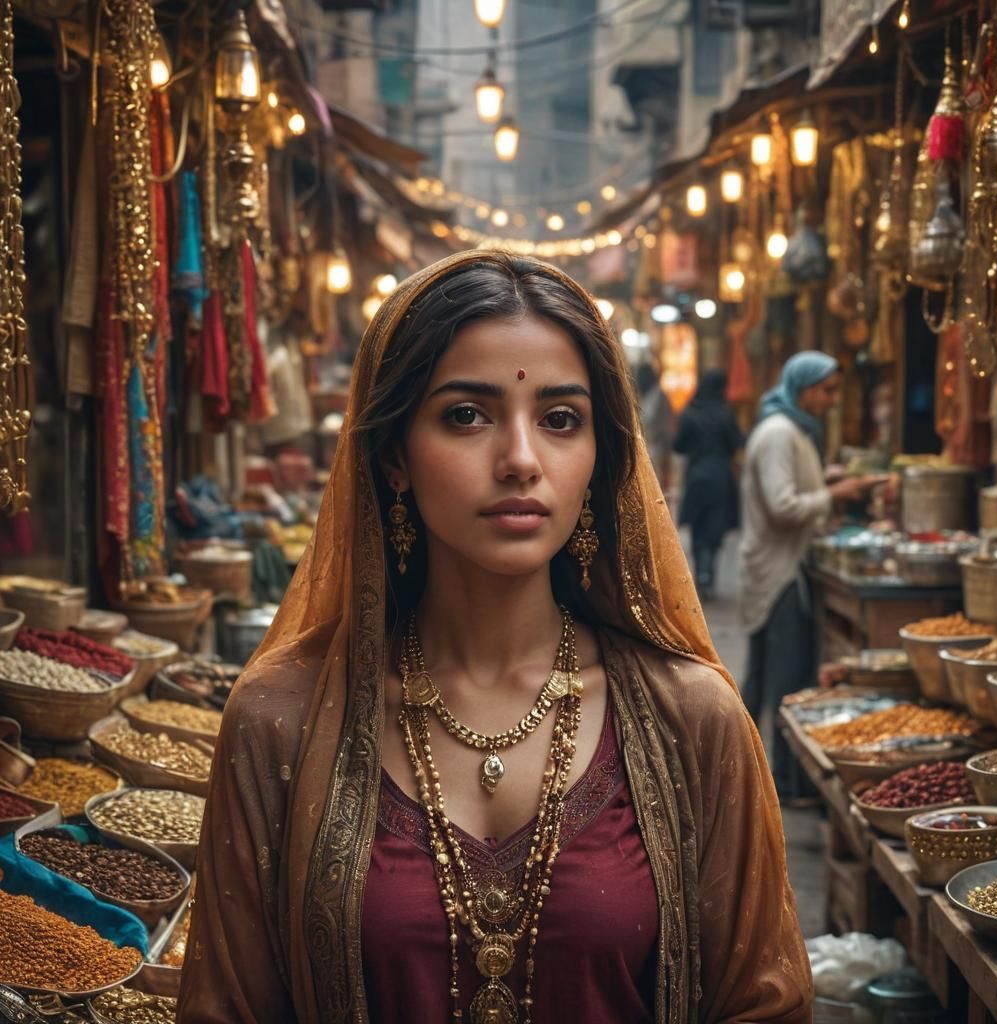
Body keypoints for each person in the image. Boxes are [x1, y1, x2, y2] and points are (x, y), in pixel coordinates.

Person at [179, 251, 812, 1024]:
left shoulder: (694, 719)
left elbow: (762, 1003)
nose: (520, 460)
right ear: (392, 457)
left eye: (560, 420)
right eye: (466, 416)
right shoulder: (281, 721)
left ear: (598, 459)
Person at [738, 351, 877, 803]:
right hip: (776, 569)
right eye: (827, 390)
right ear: (803, 387)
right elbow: (784, 506)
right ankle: (784, 781)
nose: (833, 400)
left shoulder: (789, 430)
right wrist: (834, 493)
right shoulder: (781, 433)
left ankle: (746, 772)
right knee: (783, 678)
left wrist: (827, 479)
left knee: (765, 678)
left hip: (776, 567)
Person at [673, 368, 743, 596]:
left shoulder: (690, 413)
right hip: (720, 475)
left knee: (698, 525)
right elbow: (737, 443)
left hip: (696, 475)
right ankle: (706, 572)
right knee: (714, 526)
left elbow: (679, 445)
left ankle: (702, 572)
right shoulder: (725, 414)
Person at [634, 360, 674, 490]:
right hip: (645, 449)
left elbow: (665, 428)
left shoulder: (659, 397)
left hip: (657, 450)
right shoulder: (643, 396)